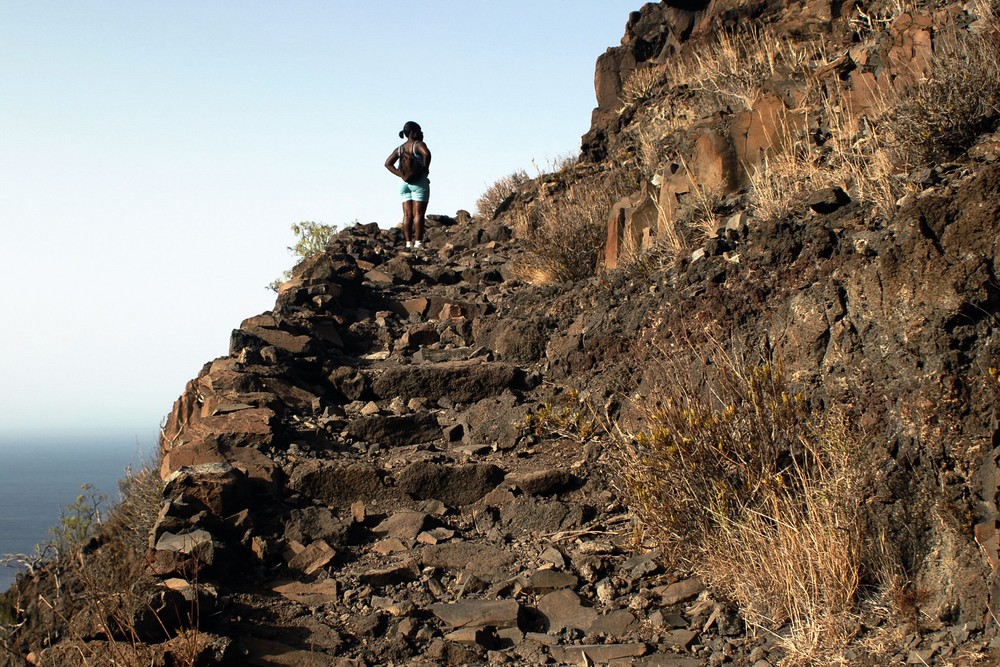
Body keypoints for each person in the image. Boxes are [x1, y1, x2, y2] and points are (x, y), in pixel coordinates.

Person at [384, 121, 432, 249]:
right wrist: (425, 168)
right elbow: (426, 154)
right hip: (419, 182)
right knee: (419, 213)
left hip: (403, 183)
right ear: (412, 132)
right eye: (419, 130)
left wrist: (400, 174)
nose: (422, 133)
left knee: (407, 215)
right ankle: (418, 243)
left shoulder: (400, 149)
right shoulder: (418, 145)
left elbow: (388, 163)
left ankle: (408, 243)